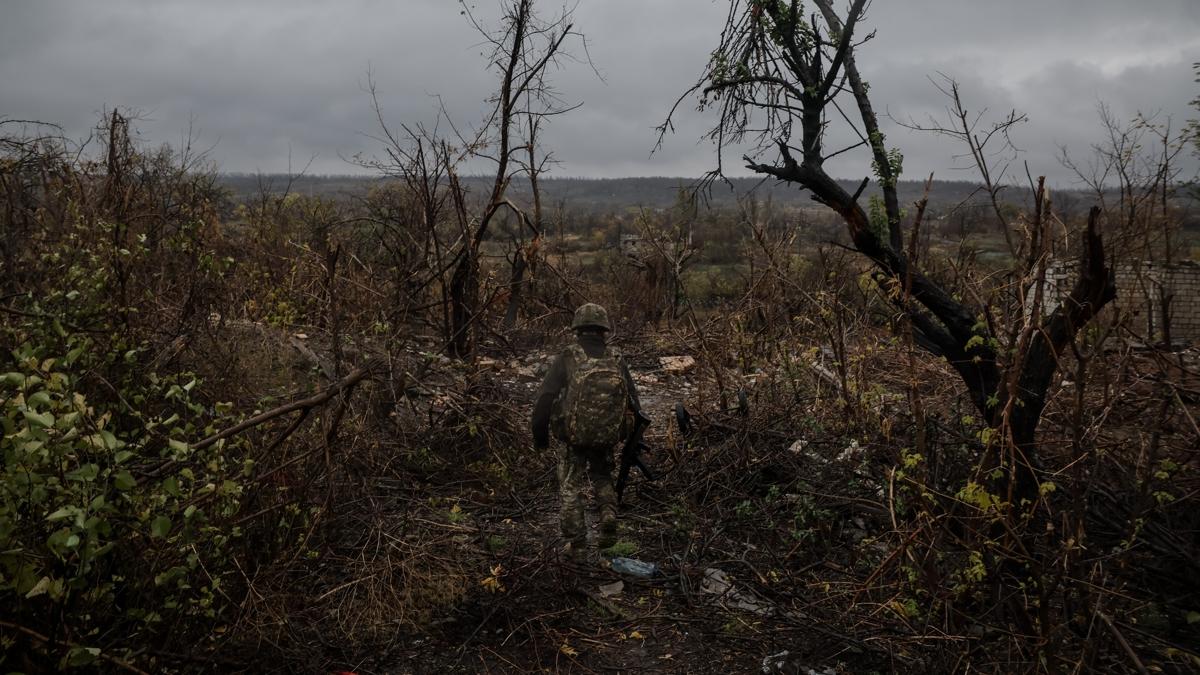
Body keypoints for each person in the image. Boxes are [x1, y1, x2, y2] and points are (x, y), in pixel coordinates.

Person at [532, 303, 641, 563]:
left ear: (577, 329)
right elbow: (633, 401)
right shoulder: (615, 357)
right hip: (606, 436)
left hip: (573, 437)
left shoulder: (569, 356)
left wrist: (540, 437)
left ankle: (578, 546)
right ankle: (608, 519)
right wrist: (631, 436)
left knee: (570, 487)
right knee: (603, 477)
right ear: (604, 329)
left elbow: (545, 398)